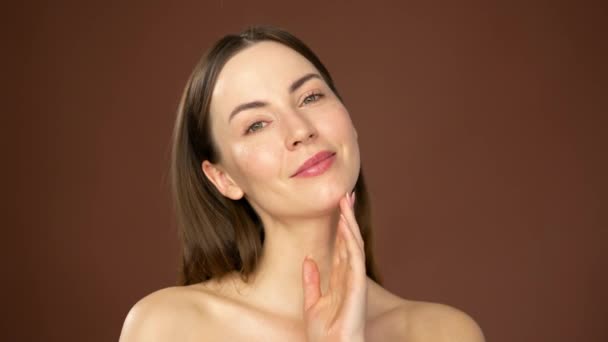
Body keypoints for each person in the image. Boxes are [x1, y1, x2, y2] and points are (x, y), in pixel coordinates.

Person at [119, 26, 485, 342]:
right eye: (256, 124)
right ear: (223, 178)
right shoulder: (169, 327)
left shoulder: (446, 333)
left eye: (311, 97)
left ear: (349, 121)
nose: (300, 130)